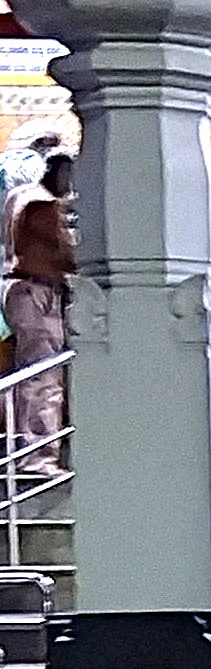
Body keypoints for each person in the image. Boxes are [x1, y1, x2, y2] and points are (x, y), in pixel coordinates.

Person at [2, 175, 72, 478]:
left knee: (35, 376)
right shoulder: (39, 202)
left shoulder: (20, 196)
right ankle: (38, 455)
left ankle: (30, 449)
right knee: (43, 378)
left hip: (25, 289)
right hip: (35, 290)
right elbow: (61, 249)